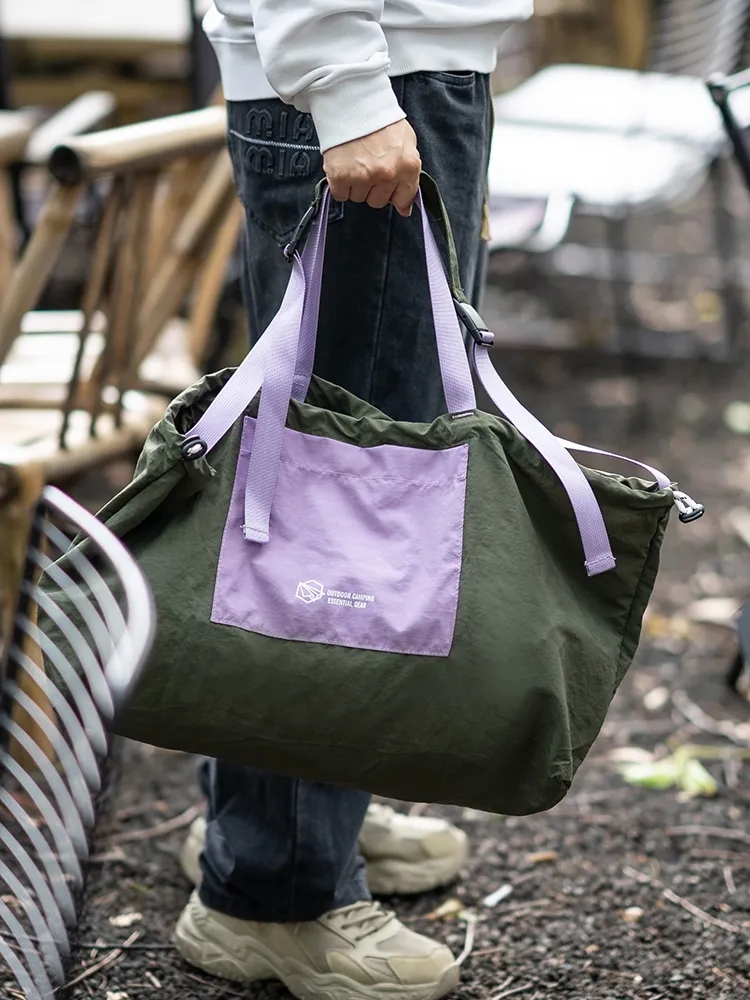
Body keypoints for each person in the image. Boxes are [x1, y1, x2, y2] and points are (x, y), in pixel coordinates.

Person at [174, 2, 533, 997]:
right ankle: (272, 888)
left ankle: (296, 810)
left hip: (394, 75)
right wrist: (345, 86)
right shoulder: (353, 89)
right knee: (340, 504)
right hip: (370, 83)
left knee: (356, 486)